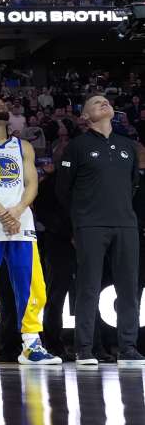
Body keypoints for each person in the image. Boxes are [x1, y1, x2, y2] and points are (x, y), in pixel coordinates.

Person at [0, 96, 61, 365]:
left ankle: (31, 345)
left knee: (31, 285)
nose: (0, 105)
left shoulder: (24, 146)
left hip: (21, 225)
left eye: (2, 103)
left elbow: (32, 185)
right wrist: (5, 214)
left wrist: (16, 212)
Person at [56, 94, 145, 365]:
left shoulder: (128, 146)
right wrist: (79, 219)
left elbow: (133, 185)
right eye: (95, 102)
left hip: (125, 224)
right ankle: (84, 348)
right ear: (84, 117)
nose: (103, 103)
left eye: (106, 101)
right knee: (88, 287)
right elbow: (63, 190)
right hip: (90, 225)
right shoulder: (76, 147)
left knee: (129, 288)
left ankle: (128, 347)